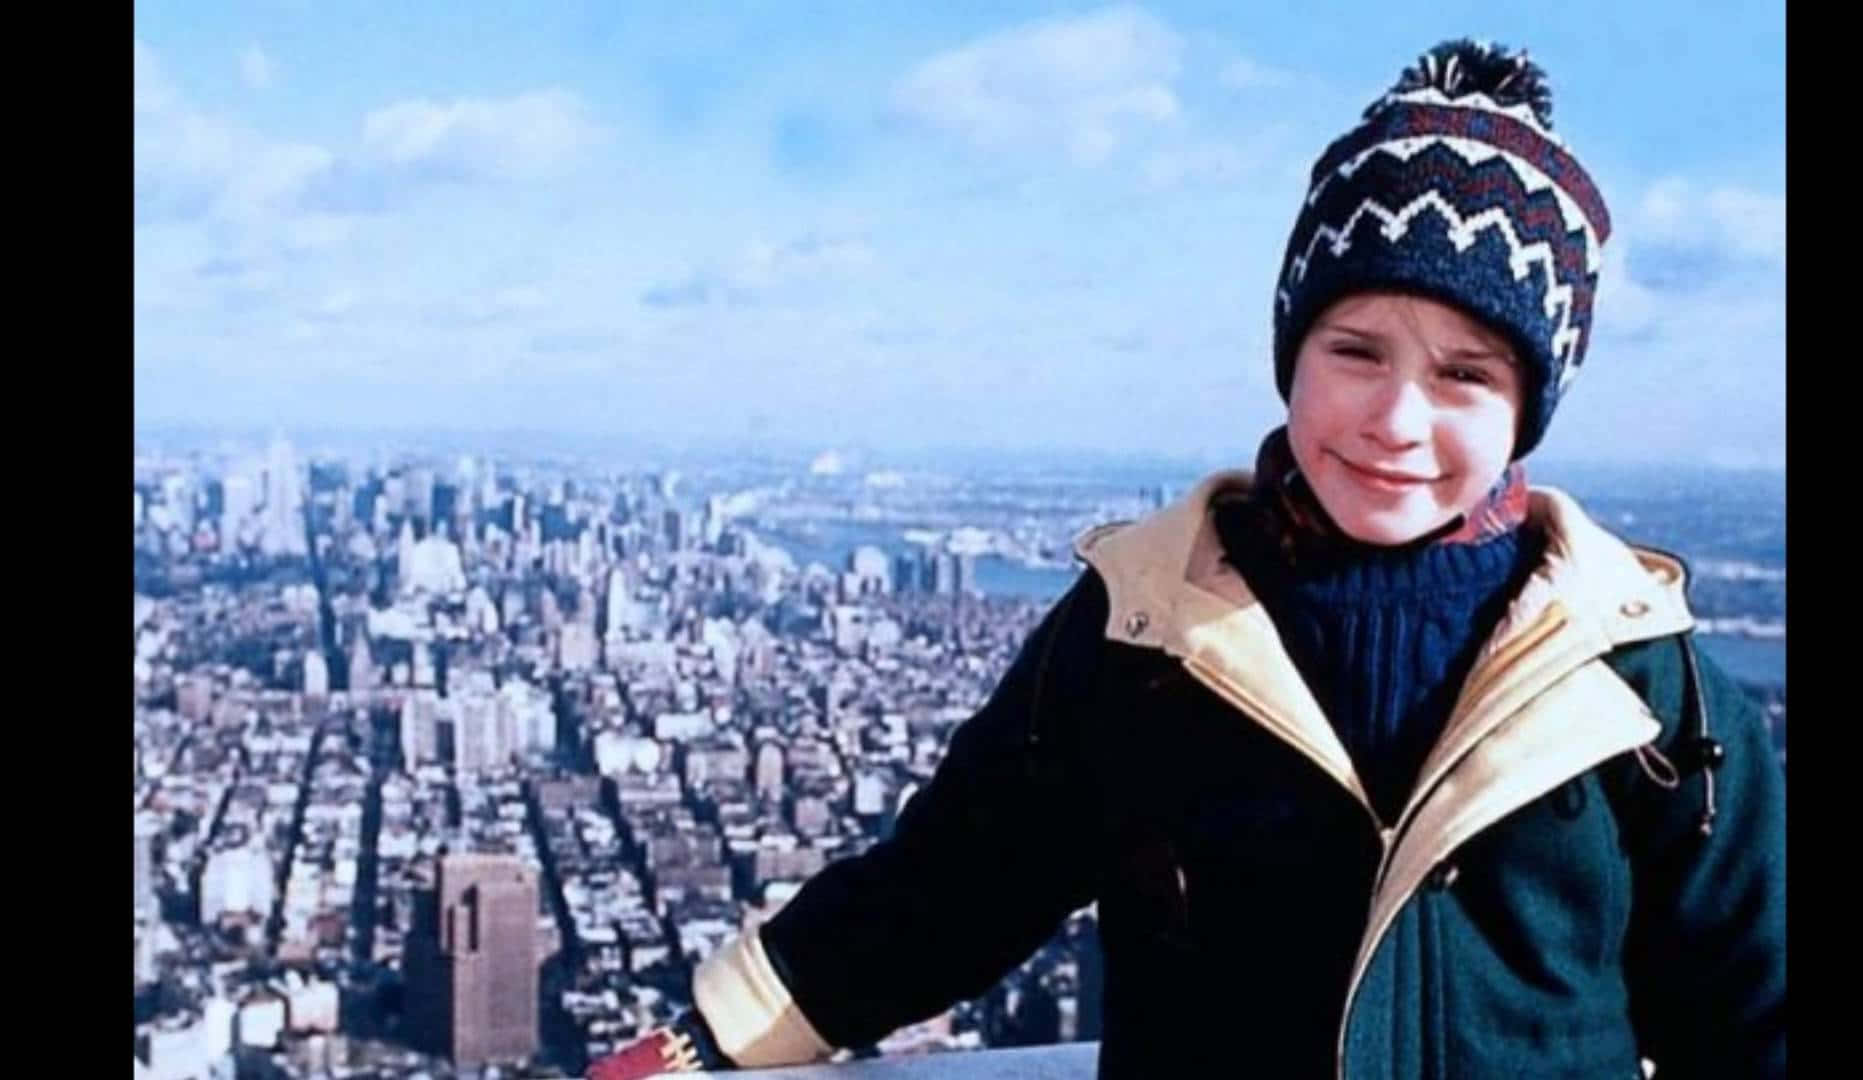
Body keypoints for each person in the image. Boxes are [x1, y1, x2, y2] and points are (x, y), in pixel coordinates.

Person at [588, 39, 1786, 1080]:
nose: (1398, 419)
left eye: (1467, 373)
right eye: (1356, 350)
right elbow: (951, 888)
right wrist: (707, 1043)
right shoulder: (1140, 630)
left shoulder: (1639, 681)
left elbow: (1754, 1003)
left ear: (1528, 409)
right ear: (1290, 353)